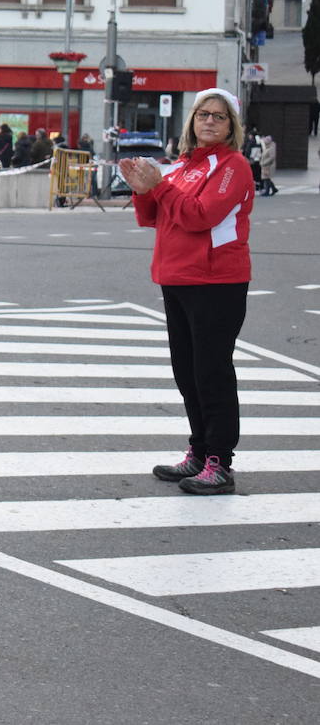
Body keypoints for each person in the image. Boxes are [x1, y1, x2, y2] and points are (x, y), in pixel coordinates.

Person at [119, 88, 253, 496]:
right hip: (176, 279)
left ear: (232, 125)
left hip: (217, 282)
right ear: (192, 122)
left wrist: (158, 186)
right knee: (188, 373)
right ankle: (199, 450)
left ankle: (220, 462)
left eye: (219, 116)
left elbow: (201, 217)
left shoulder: (233, 166)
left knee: (211, 373)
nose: (209, 121)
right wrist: (142, 188)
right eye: (202, 115)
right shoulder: (180, 167)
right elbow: (154, 217)